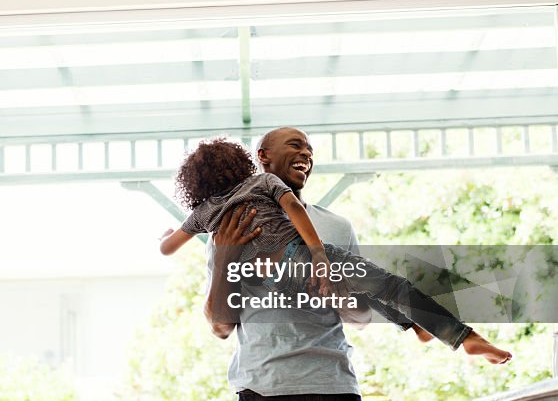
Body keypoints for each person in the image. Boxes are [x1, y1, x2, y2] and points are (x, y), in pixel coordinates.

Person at [185, 127, 509, 401]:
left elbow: (360, 315)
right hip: (263, 390)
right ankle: (426, 328)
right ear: (263, 157)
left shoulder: (336, 226)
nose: (305, 153)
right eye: (295, 145)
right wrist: (222, 257)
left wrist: (341, 298)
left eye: (309, 148)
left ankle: (440, 331)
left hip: (334, 383)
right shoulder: (232, 226)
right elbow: (220, 326)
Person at [160, 136, 512, 359]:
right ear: (250, 162)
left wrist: (165, 237)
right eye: (295, 145)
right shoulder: (262, 182)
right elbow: (295, 212)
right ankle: (463, 337)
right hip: (300, 259)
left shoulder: (209, 215)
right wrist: (318, 256)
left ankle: (416, 326)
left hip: (272, 280)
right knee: (389, 285)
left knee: (365, 288)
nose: (305, 153)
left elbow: (169, 247)